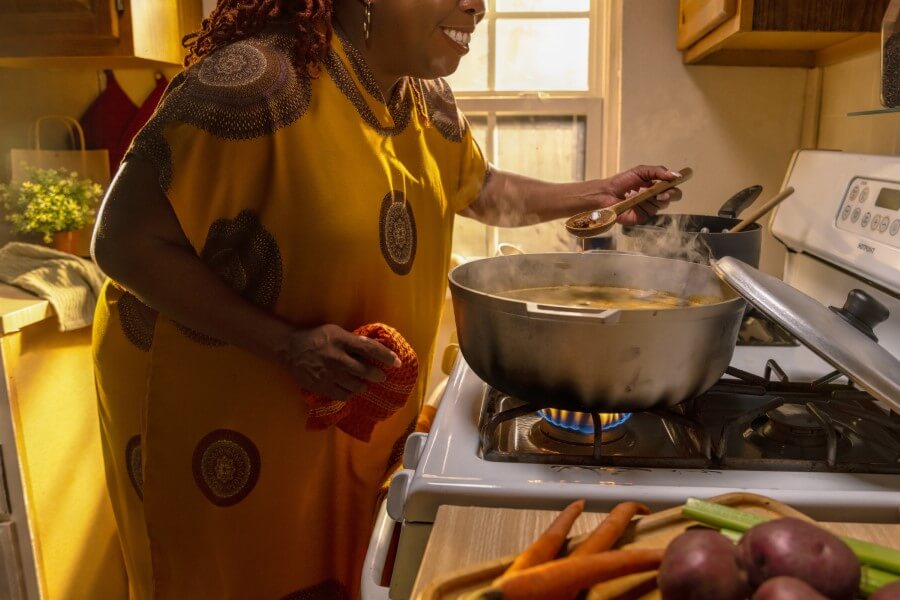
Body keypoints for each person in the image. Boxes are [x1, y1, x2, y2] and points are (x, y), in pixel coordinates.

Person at [90, 0, 684, 597]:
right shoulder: (253, 84)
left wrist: (600, 193)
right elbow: (119, 242)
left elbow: (482, 189)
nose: (476, 6)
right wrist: (286, 346)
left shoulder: (424, 97)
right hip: (224, 418)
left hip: (344, 407)